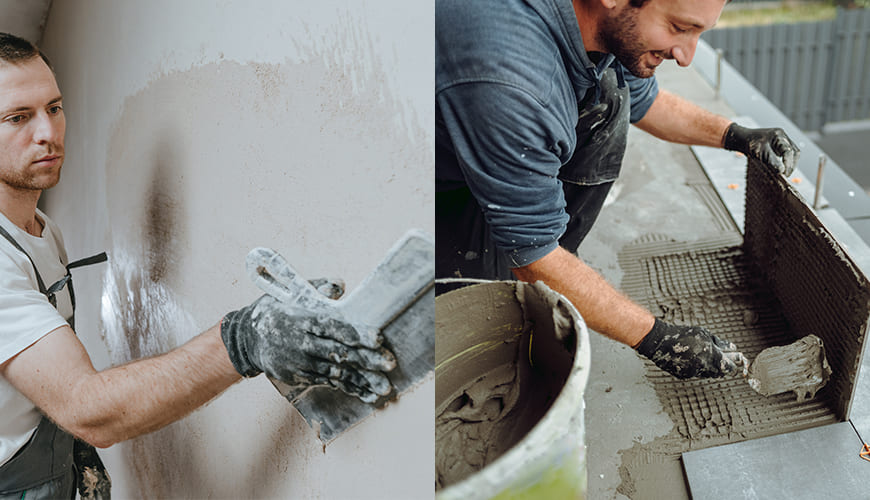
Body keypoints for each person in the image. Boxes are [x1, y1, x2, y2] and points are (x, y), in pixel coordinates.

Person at [0, 32, 396, 499]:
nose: (47, 132)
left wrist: (70, 457)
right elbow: (89, 411)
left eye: (55, 107)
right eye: (17, 118)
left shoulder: (40, 226)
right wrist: (244, 340)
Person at [435, 0, 799, 379]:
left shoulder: (600, 27)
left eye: (699, 33)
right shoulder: (514, 80)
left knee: (611, 91)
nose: (687, 57)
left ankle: (558, 254)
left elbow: (648, 101)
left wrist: (734, 135)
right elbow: (533, 256)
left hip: (493, 130)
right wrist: (655, 337)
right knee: (486, 325)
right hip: (428, 189)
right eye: (679, 28)